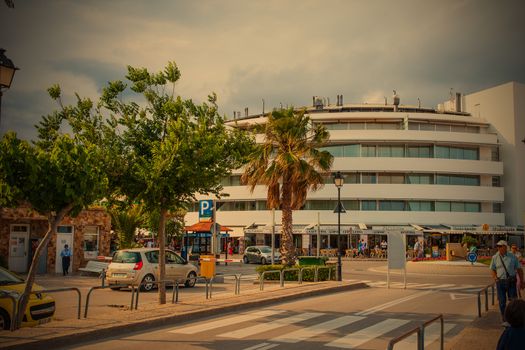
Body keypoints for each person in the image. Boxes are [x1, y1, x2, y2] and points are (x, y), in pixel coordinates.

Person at [491, 240, 525, 324]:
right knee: (502, 302)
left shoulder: (512, 257)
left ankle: (515, 319)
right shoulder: (495, 257)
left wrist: (522, 282)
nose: (498, 248)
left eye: (500, 246)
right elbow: (492, 269)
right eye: (498, 246)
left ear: (505, 247)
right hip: (500, 282)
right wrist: (495, 278)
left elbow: (519, 270)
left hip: (511, 281)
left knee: (513, 301)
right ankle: (504, 318)